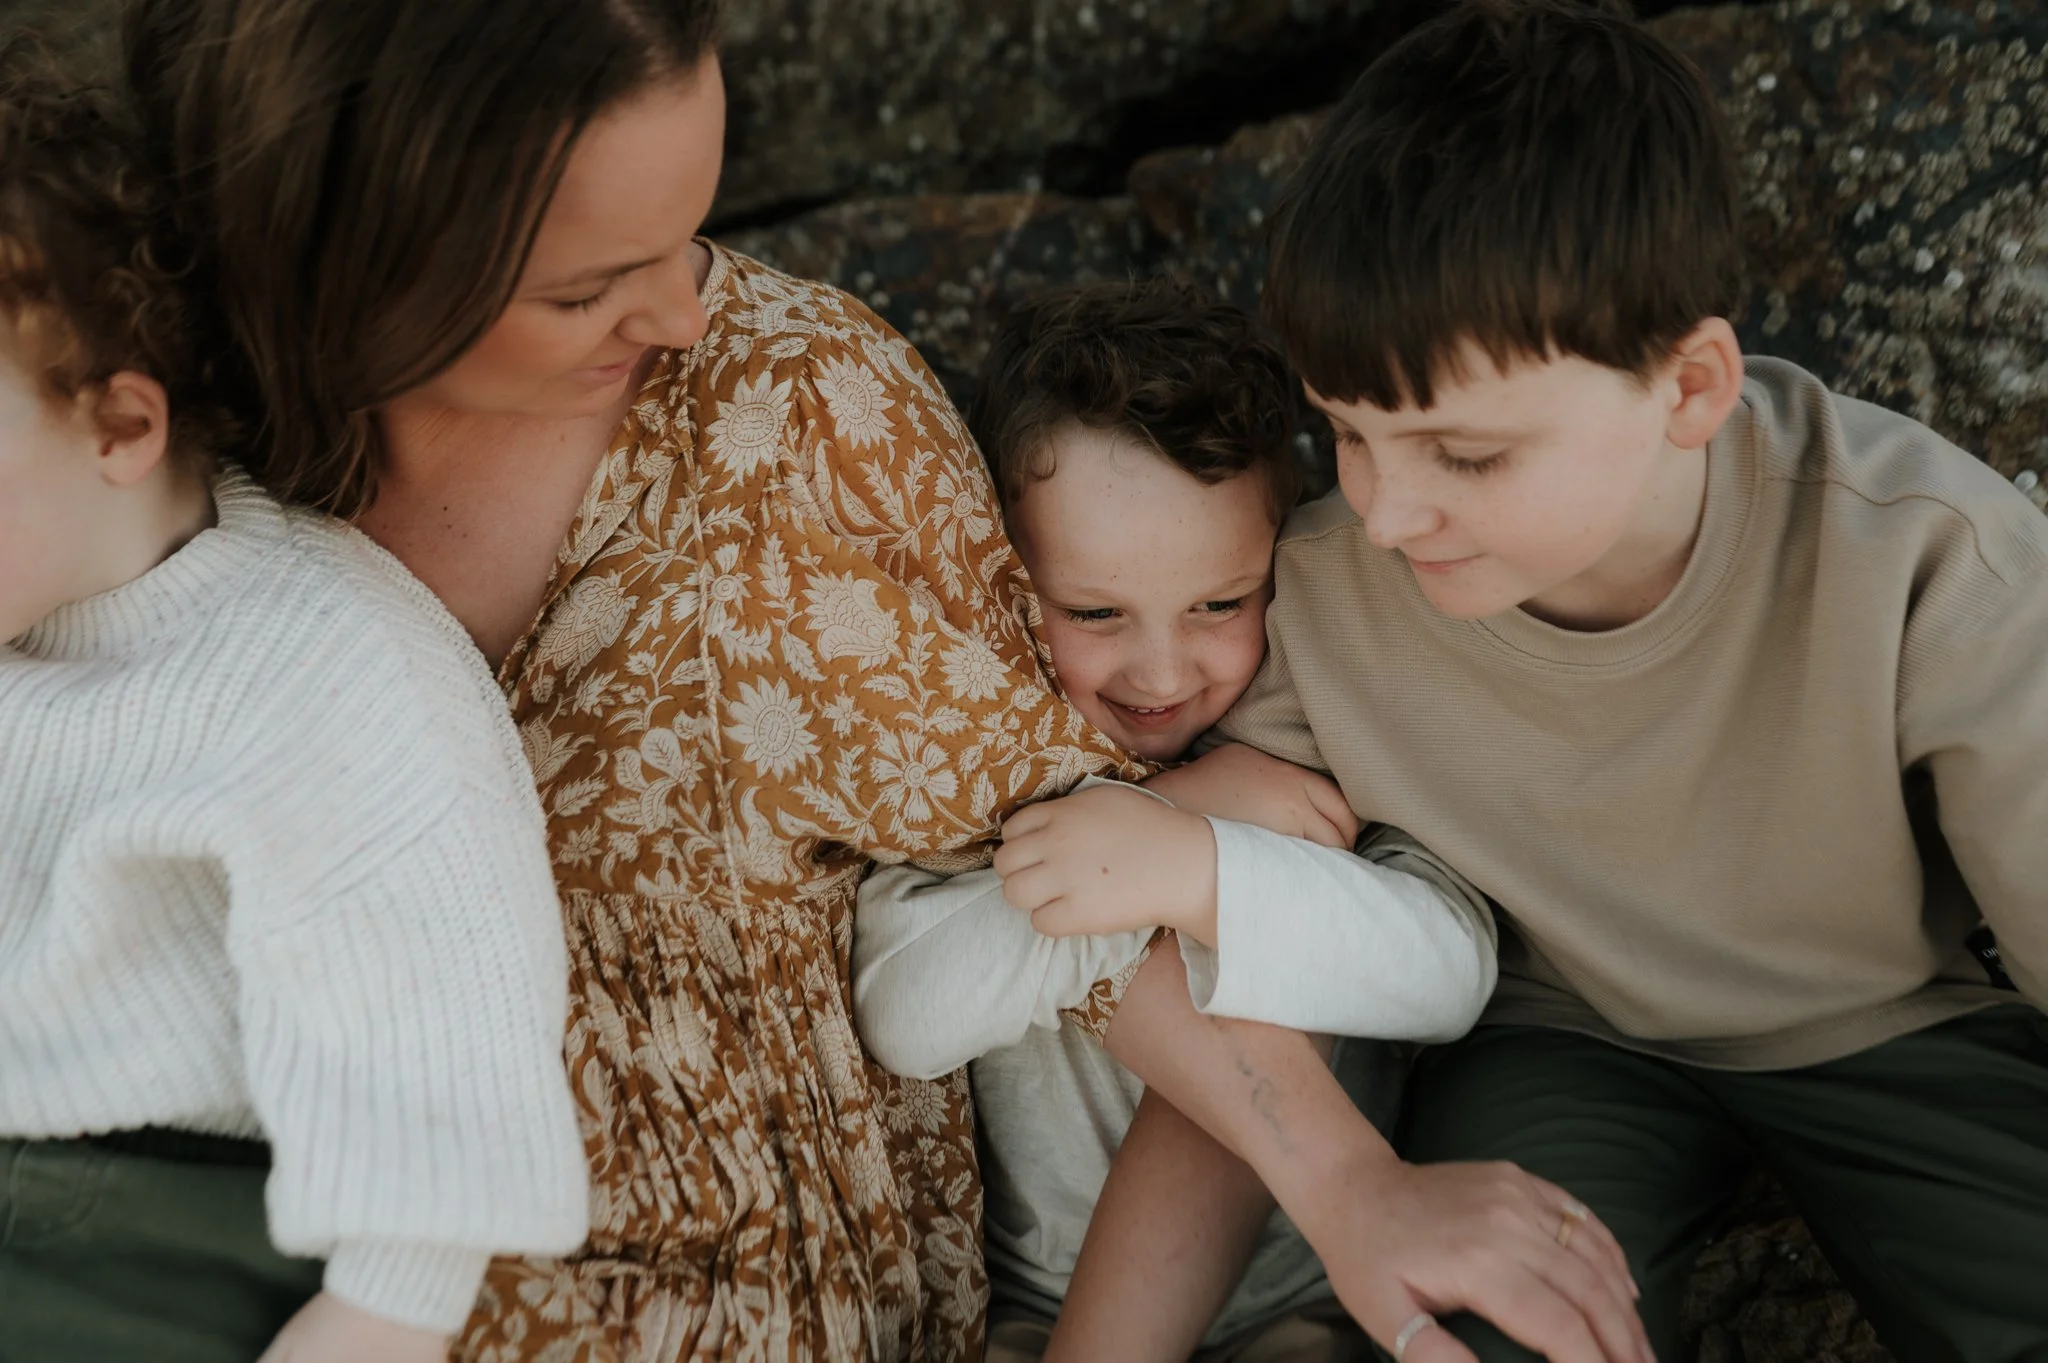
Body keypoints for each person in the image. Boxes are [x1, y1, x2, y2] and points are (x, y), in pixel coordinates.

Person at [124, 1, 1651, 1358]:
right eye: (594, 284)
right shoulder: (133, 427)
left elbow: (1088, 885)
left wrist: (1346, 1176)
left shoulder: (798, 417)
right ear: (354, 256)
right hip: (277, 1250)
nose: (682, 312)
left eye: (693, 229)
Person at [1058, 2, 2048, 1360]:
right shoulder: (1328, 590)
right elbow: (1171, 919)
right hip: (1551, 1044)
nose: (1391, 512)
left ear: (1689, 385)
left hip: (1892, 1027)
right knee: (1470, 1334)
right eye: (1348, 431)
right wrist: (1353, 1185)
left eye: (1464, 454)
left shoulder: (1931, 561)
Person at [0, 52, 587, 1363]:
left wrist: (376, 1311)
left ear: (120, 426)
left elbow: (428, 1113)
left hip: (138, 1221)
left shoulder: (326, 673)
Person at [851, 279, 1499, 1363]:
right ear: (1003, 581)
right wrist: (1161, 822)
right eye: (1094, 612)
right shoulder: (971, 769)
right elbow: (907, 1011)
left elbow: (1449, 972)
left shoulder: (1309, 739)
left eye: (1218, 604)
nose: (1161, 671)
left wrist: (1198, 866)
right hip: (1035, 1314)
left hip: (1305, 1306)